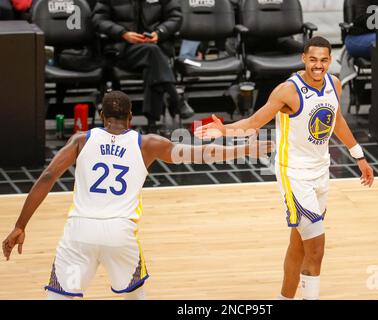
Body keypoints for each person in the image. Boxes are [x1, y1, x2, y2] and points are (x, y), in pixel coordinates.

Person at [1, 91, 273, 300]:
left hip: (79, 232)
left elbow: (47, 177)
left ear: (101, 117)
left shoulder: (81, 140)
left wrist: (20, 225)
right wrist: (245, 150)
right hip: (120, 235)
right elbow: (203, 153)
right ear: (131, 117)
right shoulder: (148, 144)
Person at [195, 36, 375, 300]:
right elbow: (255, 122)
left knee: (299, 245)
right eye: (313, 59)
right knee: (316, 248)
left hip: (320, 172)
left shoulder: (334, 84)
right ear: (303, 59)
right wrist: (224, 129)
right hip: (294, 175)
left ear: (330, 60)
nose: (318, 65)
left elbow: (336, 120)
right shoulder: (287, 90)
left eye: (324, 60)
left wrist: (359, 156)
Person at [92, 0, 194, 133]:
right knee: (153, 54)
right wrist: (123, 33)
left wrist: (159, 33)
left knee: (152, 60)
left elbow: (175, 17)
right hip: (122, 51)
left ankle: (152, 125)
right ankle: (175, 100)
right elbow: (98, 20)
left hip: (155, 48)